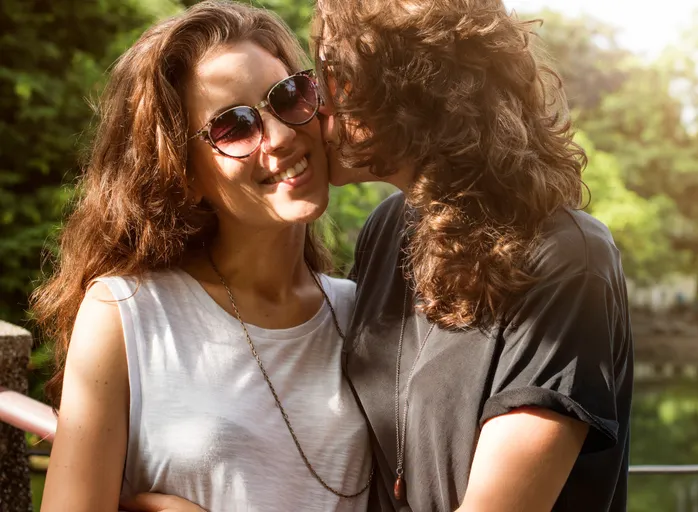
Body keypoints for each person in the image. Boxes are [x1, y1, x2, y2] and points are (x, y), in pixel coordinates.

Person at [31, 1, 372, 511]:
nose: (279, 137)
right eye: (234, 127)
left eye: (289, 95)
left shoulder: (366, 312)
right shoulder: (128, 315)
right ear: (182, 173)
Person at [313, 0, 634, 510]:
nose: (316, 103)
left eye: (336, 77)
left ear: (413, 91)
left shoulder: (568, 260)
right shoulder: (388, 230)